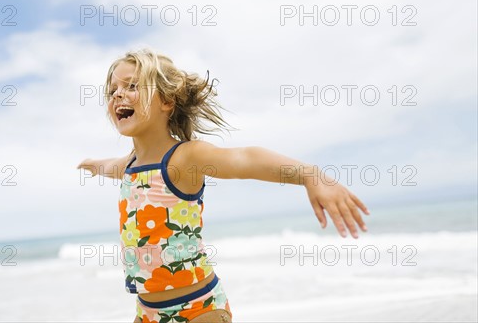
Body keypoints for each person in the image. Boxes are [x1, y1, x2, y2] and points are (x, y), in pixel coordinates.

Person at [77, 49, 370, 323]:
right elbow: (111, 166)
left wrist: (309, 175)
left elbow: (245, 159)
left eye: (131, 86)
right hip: (147, 312)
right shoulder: (129, 164)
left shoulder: (184, 158)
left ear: (166, 101)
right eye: (112, 90)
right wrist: (93, 165)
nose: (117, 95)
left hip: (198, 309)